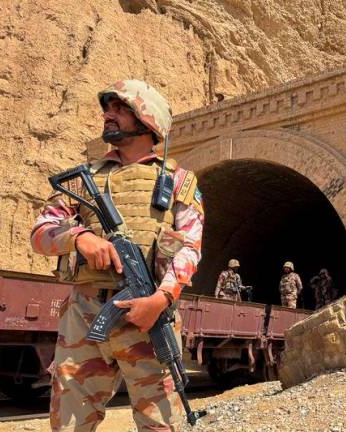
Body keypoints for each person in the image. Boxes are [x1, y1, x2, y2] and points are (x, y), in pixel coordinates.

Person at [30, 79, 204, 432]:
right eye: (107, 108)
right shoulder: (83, 181)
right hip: (84, 314)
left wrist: (160, 299)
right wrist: (79, 238)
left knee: (161, 424)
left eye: (120, 109)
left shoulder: (179, 182)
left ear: (148, 120)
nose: (108, 115)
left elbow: (189, 248)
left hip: (149, 317)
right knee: (68, 424)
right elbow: (40, 234)